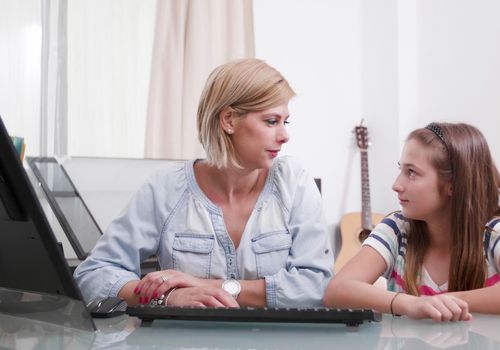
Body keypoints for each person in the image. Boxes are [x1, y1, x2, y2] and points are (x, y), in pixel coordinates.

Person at [74, 58, 333, 308]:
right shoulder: (165, 187)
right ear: (229, 120)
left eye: (284, 122)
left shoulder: (294, 182)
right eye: (271, 121)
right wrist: (167, 298)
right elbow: (94, 275)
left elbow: (317, 286)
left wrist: (210, 286)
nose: (284, 135)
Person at [324, 122, 500, 321]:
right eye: (401, 169)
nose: (396, 184)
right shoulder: (396, 229)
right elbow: (336, 291)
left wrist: (442, 301)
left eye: (411, 172)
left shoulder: (496, 234)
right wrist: (412, 303)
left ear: (453, 185)